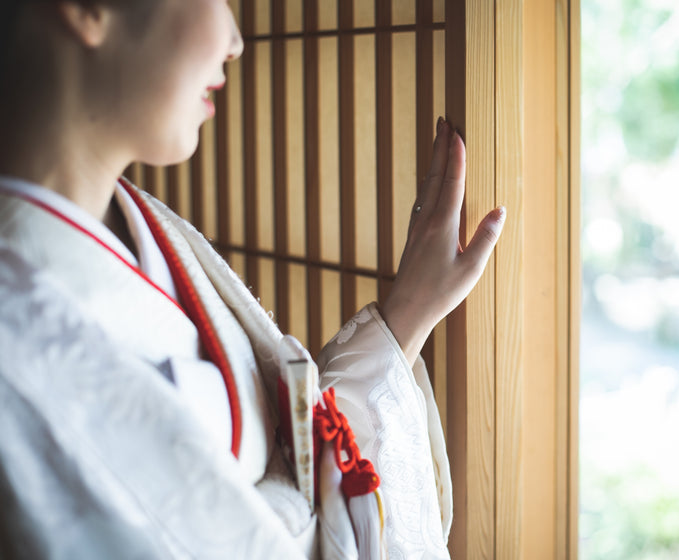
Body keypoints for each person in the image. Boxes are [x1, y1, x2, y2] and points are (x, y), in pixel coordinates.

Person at [0, 0, 506, 558]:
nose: (235, 40)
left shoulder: (140, 220)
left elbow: (295, 472)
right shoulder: (17, 352)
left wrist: (403, 319)